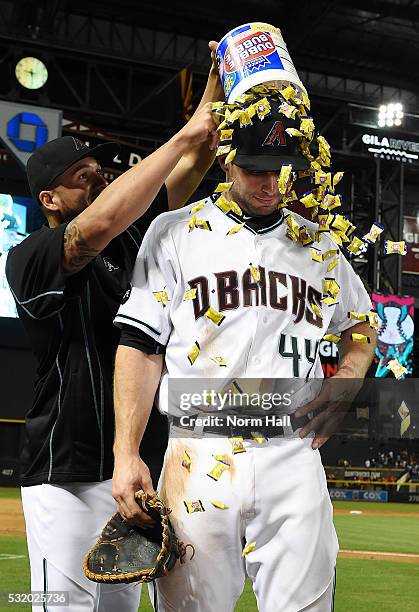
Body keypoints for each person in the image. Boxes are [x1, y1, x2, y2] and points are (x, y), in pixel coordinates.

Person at [112, 100, 377, 610]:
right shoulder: (175, 231)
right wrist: (127, 452)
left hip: (293, 450)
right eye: (256, 168)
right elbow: (140, 344)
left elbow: (361, 324)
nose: (271, 183)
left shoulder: (319, 246)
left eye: (283, 171)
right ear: (227, 160)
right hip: (197, 449)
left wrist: (347, 377)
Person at [5, 43, 222, 612]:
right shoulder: (32, 255)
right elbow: (99, 222)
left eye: (101, 174)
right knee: (62, 607)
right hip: (67, 472)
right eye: (82, 178)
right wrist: (182, 136)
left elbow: (179, 179)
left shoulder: (128, 245)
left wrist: (214, 106)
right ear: (49, 199)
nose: (98, 184)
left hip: (135, 468)